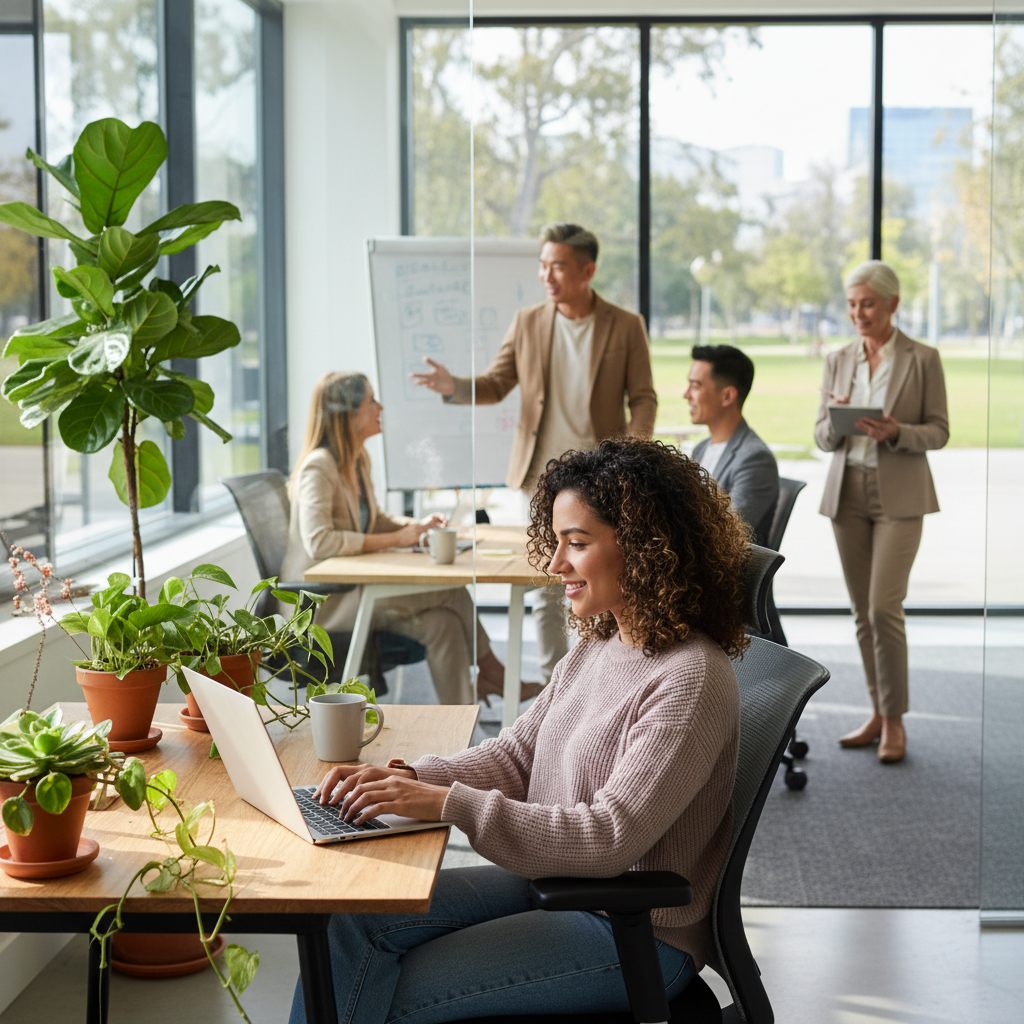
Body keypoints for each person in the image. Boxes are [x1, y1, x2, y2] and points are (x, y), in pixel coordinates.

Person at [288, 437, 748, 1024]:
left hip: (636, 932)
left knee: (377, 995)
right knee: (347, 920)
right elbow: (517, 754)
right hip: (559, 885)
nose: (556, 565)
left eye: (576, 544)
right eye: (556, 541)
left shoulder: (690, 678)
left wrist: (448, 804)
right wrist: (407, 779)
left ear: (645, 547)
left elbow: (609, 836)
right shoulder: (603, 640)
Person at [411, 223, 657, 688]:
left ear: (588, 270)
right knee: (550, 582)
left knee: (609, 580)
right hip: (543, 478)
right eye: (543, 265)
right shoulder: (529, 322)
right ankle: (554, 685)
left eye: (558, 266)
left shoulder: (625, 326)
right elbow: (496, 383)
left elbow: (643, 397)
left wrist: (632, 451)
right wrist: (453, 387)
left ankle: (609, 678)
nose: (547, 275)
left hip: (604, 479)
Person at [281, 372, 535, 706]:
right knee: (450, 589)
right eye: (371, 401)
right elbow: (320, 541)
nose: (380, 407)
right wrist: (396, 538)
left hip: (358, 589)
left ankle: (460, 728)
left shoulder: (357, 461)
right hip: (330, 602)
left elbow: (374, 520)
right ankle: (493, 673)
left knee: (442, 626)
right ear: (348, 413)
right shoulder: (319, 467)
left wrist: (415, 527)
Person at [815, 260, 949, 763]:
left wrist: (898, 432)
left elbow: (938, 429)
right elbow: (822, 436)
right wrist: (836, 418)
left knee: (882, 608)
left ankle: (895, 722)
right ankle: (877, 710)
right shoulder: (838, 359)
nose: (858, 313)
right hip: (847, 493)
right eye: (852, 304)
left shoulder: (923, 359)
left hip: (899, 496)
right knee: (861, 614)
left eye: (867, 304)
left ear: (892, 304)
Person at [687, 344, 779, 546]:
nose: (686, 395)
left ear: (727, 396)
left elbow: (728, 533)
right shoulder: (701, 449)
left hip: (725, 575)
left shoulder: (755, 459)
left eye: (695, 386)